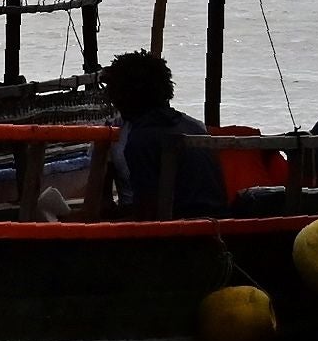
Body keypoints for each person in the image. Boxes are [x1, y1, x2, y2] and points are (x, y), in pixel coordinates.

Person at [88, 49, 224, 219]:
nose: (110, 98)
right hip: (215, 227)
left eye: (112, 91)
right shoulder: (195, 127)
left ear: (124, 95)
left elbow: (148, 215)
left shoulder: (141, 139)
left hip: (175, 234)